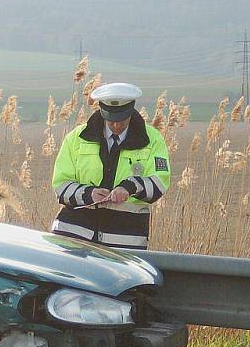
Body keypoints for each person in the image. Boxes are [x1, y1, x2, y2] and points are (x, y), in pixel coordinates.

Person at [50, 82, 171, 249]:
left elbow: (159, 183)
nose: (116, 125)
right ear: (101, 111)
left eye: (122, 120)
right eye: (111, 120)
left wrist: (129, 187)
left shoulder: (153, 139)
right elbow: (60, 185)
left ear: (131, 110)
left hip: (124, 241)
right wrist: (89, 193)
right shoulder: (76, 138)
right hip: (73, 237)